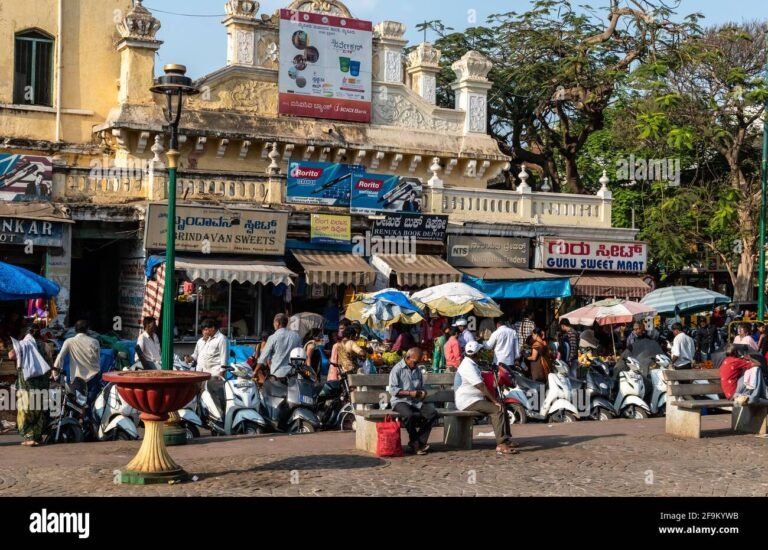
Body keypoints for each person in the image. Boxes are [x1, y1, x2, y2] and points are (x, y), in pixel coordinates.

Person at [454, 341, 517, 454]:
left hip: (475, 399)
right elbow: (481, 386)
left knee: (502, 405)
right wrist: (494, 401)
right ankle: (501, 444)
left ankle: (506, 439)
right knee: (497, 410)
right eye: (480, 351)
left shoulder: (472, 364)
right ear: (477, 354)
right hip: (467, 401)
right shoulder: (467, 366)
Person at [388, 347, 438, 455]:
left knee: (432, 413)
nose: (416, 365)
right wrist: (410, 393)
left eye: (418, 363)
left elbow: (421, 387)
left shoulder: (417, 370)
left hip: (415, 401)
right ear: (408, 358)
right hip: (400, 401)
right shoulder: (397, 370)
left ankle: (419, 442)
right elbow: (392, 390)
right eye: (415, 362)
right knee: (410, 415)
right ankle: (416, 444)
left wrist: (423, 393)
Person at [8, 325, 51, 446]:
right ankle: (38, 436)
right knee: (39, 409)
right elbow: (49, 362)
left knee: (26, 409)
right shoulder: (45, 345)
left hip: (27, 383)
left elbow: (11, 355)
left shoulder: (23, 344)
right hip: (42, 383)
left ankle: (29, 437)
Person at [53, 320, 100, 398]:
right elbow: (97, 360)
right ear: (88, 329)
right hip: (93, 378)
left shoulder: (69, 341)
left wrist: (55, 374)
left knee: (77, 405)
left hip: (77, 380)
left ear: (75, 330)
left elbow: (60, 357)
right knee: (92, 404)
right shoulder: (94, 342)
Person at [256, 313, 301, 380]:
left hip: (278, 375)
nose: (273, 324)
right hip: (292, 374)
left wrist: (255, 371)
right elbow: (299, 354)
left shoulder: (273, 337)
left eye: (273, 322)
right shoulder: (296, 336)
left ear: (277, 323)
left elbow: (263, 357)